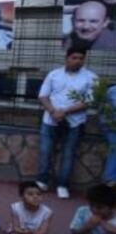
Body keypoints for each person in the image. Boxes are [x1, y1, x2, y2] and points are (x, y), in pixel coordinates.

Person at [38, 47, 96, 199]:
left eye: (81, 58)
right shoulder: (54, 74)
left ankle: (62, 185)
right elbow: (43, 96)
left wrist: (65, 111)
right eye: (74, 58)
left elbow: (88, 101)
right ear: (67, 58)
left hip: (74, 122)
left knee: (68, 154)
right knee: (45, 151)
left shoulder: (90, 77)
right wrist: (53, 112)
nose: (78, 61)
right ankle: (42, 181)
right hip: (50, 120)